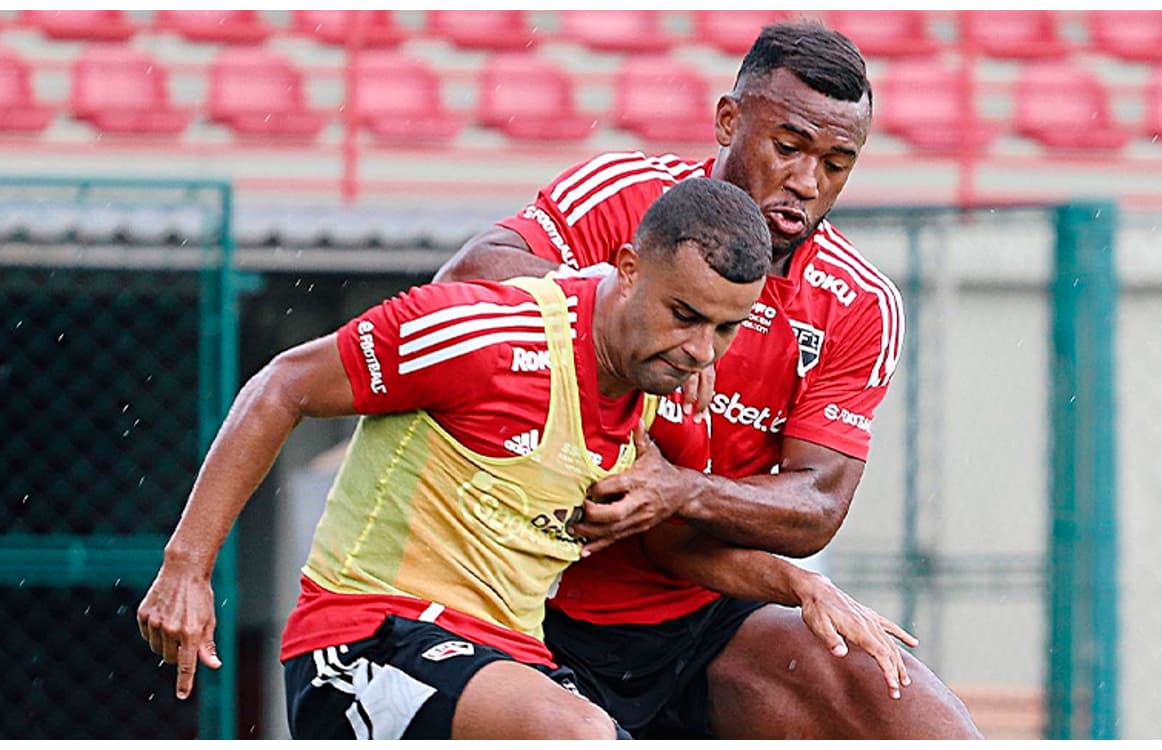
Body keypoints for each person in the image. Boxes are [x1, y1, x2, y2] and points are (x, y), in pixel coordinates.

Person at [135, 179, 914, 739]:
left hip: (511, 663)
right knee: (576, 738)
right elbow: (282, 385)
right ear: (628, 267)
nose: (699, 351)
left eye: (724, 330)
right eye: (685, 316)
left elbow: (674, 542)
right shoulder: (486, 335)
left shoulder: (653, 394)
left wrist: (800, 585)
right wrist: (187, 565)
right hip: (367, 644)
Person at [434, 20, 982, 739]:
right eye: (787, 147)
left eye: (837, 162)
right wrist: (647, 316)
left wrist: (683, 489)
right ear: (729, 120)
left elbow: (816, 505)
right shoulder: (625, 199)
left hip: (700, 611)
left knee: (912, 713)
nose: (807, 182)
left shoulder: (859, 303)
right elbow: (467, 280)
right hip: (515, 594)